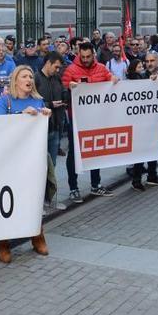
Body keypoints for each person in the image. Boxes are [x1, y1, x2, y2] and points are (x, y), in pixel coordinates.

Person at [0, 66, 51, 263]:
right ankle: (3, 242)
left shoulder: (38, 100)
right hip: (9, 160)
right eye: (24, 76)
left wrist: (45, 116)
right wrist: (20, 116)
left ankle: (37, 236)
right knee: (6, 200)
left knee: (32, 198)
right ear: (15, 80)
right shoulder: (5, 100)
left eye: (31, 76)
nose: (29, 79)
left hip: (31, 159)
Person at [61, 42, 116, 201]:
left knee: (95, 150)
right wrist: (69, 87)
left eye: (88, 57)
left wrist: (113, 78)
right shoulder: (71, 70)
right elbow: (63, 91)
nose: (85, 60)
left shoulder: (101, 68)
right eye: (82, 57)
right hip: (76, 119)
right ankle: (73, 187)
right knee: (73, 153)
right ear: (78, 54)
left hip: (96, 118)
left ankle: (95, 185)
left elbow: (110, 79)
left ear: (93, 54)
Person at [128, 52, 158, 190]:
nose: (149, 63)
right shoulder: (140, 76)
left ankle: (152, 176)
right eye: (147, 61)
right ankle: (136, 180)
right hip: (142, 121)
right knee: (141, 150)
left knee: (154, 148)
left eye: (152, 60)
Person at [35, 52, 66, 172]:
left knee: (52, 165)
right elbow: (32, 103)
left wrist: (67, 95)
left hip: (55, 128)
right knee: (40, 166)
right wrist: (50, 104)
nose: (58, 70)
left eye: (59, 68)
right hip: (41, 129)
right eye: (56, 67)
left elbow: (63, 92)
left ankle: (50, 190)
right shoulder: (36, 78)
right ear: (48, 63)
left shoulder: (57, 78)